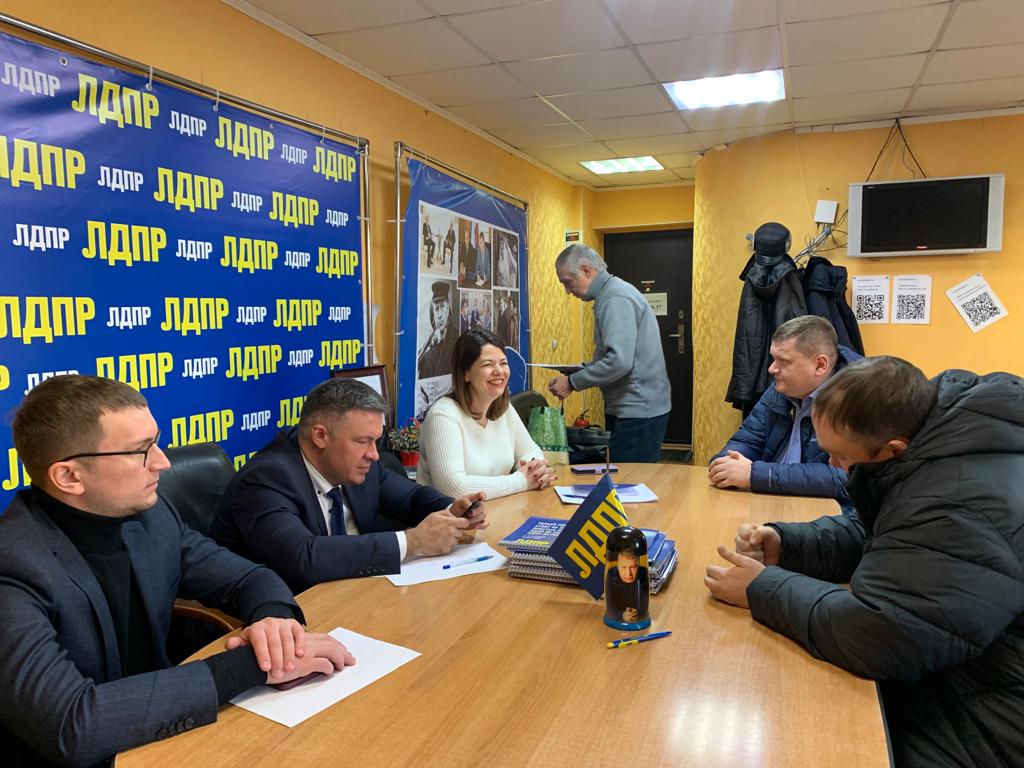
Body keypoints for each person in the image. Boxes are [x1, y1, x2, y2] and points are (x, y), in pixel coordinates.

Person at [0, 375, 353, 768]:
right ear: (69, 477)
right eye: (140, 451)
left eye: (156, 442)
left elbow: (248, 578)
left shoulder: (151, 517)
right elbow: (72, 724)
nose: (163, 462)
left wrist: (276, 624)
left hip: (162, 735)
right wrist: (249, 667)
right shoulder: (13, 566)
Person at [704, 357, 1024, 767]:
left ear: (893, 449)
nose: (833, 466)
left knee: (815, 736)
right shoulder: (934, 440)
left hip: (991, 701)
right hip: (969, 655)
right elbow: (883, 530)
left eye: (840, 457)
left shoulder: (958, 503)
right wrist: (788, 544)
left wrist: (761, 589)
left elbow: (884, 634)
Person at [212, 378, 487, 593]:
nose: (374, 454)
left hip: (354, 593)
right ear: (320, 435)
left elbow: (410, 498)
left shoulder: (355, 464)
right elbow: (305, 558)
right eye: (362, 441)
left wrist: (453, 509)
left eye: (376, 441)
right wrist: (413, 541)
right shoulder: (266, 479)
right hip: (285, 615)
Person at [708, 315, 860, 500]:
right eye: (773, 359)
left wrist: (756, 474)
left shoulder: (857, 399)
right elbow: (748, 440)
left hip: (821, 508)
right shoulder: (780, 389)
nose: (772, 369)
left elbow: (846, 478)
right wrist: (726, 464)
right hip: (770, 498)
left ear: (820, 365)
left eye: (784, 361)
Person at [548, 244, 671, 463]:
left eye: (568, 282)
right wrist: (580, 370)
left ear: (586, 270)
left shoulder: (615, 298)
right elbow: (615, 356)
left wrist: (573, 382)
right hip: (636, 407)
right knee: (626, 476)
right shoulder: (612, 292)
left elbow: (619, 362)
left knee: (627, 479)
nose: (567, 290)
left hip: (637, 410)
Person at [418, 329, 556, 499]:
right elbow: (454, 488)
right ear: (465, 373)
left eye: (503, 363)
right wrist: (521, 481)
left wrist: (534, 470)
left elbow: (531, 450)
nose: (499, 371)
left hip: (499, 509)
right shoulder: (443, 416)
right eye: (487, 364)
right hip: (452, 514)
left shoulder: (504, 408)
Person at [417, 281, 458, 379]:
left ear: (448, 308)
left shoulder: (457, 336)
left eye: (442, 307)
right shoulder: (431, 340)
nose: (439, 315)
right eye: (436, 309)